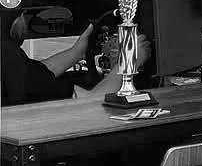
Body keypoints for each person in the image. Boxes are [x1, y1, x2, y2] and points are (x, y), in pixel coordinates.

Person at [1, 6, 149, 106]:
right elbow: (91, 104)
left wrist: (76, 52)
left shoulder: (7, 56)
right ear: (10, 21)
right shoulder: (8, 56)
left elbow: (34, 76)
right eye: (23, 16)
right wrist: (129, 62)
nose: (25, 23)